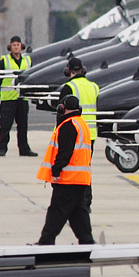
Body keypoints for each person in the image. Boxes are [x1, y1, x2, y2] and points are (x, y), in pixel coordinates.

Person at [36, 95, 95, 245]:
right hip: (81, 178)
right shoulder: (82, 124)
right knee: (77, 212)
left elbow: (65, 152)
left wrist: (56, 170)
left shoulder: (68, 125)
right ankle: (87, 240)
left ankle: (46, 241)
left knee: (57, 210)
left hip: (68, 178)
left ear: (62, 108)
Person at [0, 35, 37, 157]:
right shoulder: (4, 61)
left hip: (22, 98)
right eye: (14, 45)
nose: (16, 47)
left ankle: (24, 149)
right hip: (8, 97)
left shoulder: (27, 60)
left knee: (23, 125)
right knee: (5, 125)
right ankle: (2, 148)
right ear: (10, 47)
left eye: (18, 45)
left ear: (21, 46)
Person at [59, 56, 100, 141]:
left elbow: (61, 111)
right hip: (90, 132)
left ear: (67, 71)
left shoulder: (69, 87)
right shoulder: (94, 86)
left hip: (74, 131)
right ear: (83, 70)